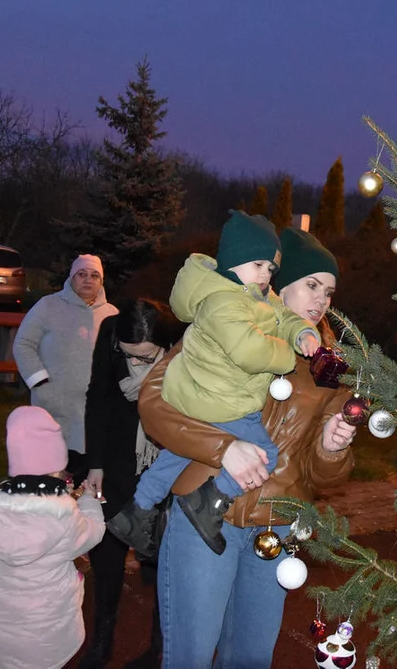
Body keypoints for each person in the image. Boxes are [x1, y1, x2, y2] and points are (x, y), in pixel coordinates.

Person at [138, 226, 358, 668]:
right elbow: (154, 403)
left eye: (330, 292)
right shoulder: (226, 321)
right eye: (312, 285)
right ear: (279, 283)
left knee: (251, 659)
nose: (322, 300)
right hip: (206, 518)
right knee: (191, 656)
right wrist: (224, 448)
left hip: (274, 529)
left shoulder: (330, 369)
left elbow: (325, 476)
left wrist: (333, 448)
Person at [109, 211, 319, 556]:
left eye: (271, 268)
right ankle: (209, 503)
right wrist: (289, 355)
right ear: (234, 261)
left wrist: (303, 333)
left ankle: (137, 510)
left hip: (201, 396)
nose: (266, 274)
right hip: (219, 399)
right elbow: (249, 352)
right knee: (265, 455)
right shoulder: (223, 301)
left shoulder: (257, 296)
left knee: (176, 453)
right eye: (258, 264)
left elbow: (282, 317)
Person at [80, 298, 185, 669]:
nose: (135, 364)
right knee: (106, 553)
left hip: (162, 459)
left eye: (145, 357)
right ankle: (102, 640)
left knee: (158, 559)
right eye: (128, 356)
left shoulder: (182, 342)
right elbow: (99, 397)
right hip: (117, 457)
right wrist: (94, 464)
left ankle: (158, 648)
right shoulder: (111, 333)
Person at [0, 406, 106, 669]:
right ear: (57, 468)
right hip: (48, 637)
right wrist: (88, 500)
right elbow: (93, 533)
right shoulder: (62, 515)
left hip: (2, 634)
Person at [13, 253, 118, 472]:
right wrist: (39, 381)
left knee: (86, 469)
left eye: (94, 275)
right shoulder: (48, 306)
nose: (88, 280)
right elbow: (23, 343)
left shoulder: (111, 315)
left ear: (101, 282)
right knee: (49, 466)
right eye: (82, 274)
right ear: (72, 278)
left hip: (93, 409)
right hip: (54, 403)